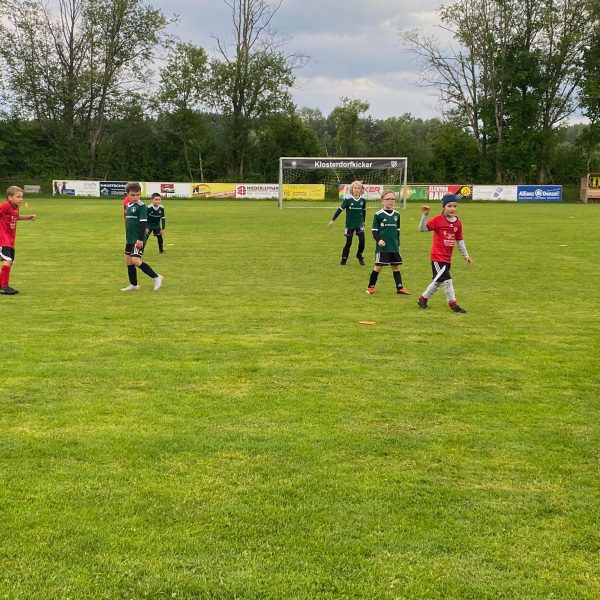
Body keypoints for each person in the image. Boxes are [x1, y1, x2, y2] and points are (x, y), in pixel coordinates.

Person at [417, 193, 474, 313]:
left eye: (454, 206)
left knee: (438, 281)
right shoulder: (438, 220)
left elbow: (459, 241)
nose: (452, 209)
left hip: (448, 258)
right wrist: (424, 215)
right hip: (437, 257)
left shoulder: (457, 223)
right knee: (447, 280)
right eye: (449, 206)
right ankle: (453, 305)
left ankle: (423, 299)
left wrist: (466, 256)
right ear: (444, 207)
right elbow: (422, 229)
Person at [121, 182, 163, 292]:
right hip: (130, 238)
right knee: (128, 260)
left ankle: (156, 277)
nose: (135, 197)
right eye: (132, 195)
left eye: (137, 195)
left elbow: (143, 223)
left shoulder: (142, 206)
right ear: (127, 195)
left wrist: (140, 239)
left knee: (135, 260)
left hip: (138, 238)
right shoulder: (128, 206)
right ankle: (134, 285)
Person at [366, 190, 410, 295]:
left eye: (392, 199)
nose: (390, 201)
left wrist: (398, 245)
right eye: (388, 199)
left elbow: (397, 231)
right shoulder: (378, 215)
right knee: (378, 266)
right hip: (382, 247)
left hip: (393, 246)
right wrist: (379, 240)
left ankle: (400, 288)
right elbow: (374, 231)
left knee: (395, 266)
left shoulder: (397, 215)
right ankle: (370, 287)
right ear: (382, 201)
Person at [0, 186, 36, 295]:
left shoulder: (15, 207)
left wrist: (28, 217)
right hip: (3, 239)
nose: (21, 199)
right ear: (10, 197)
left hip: (10, 240)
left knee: (9, 262)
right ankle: (4, 286)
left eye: (22, 197)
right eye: (18, 197)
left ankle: (2, 284)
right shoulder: (5, 205)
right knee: (8, 260)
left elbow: (15, 217)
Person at [328, 180, 366, 265]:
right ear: (352, 189)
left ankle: (359, 255)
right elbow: (340, 210)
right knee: (349, 243)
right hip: (350, 225)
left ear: (361, 190)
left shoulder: (363, 200)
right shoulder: (348, 200)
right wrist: (333, 220)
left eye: (358, 188)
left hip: (359, 224)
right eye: (355, 188)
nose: (357, 190)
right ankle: (344, 259)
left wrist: (363, 221)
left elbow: (363, 211)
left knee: (362, 240)